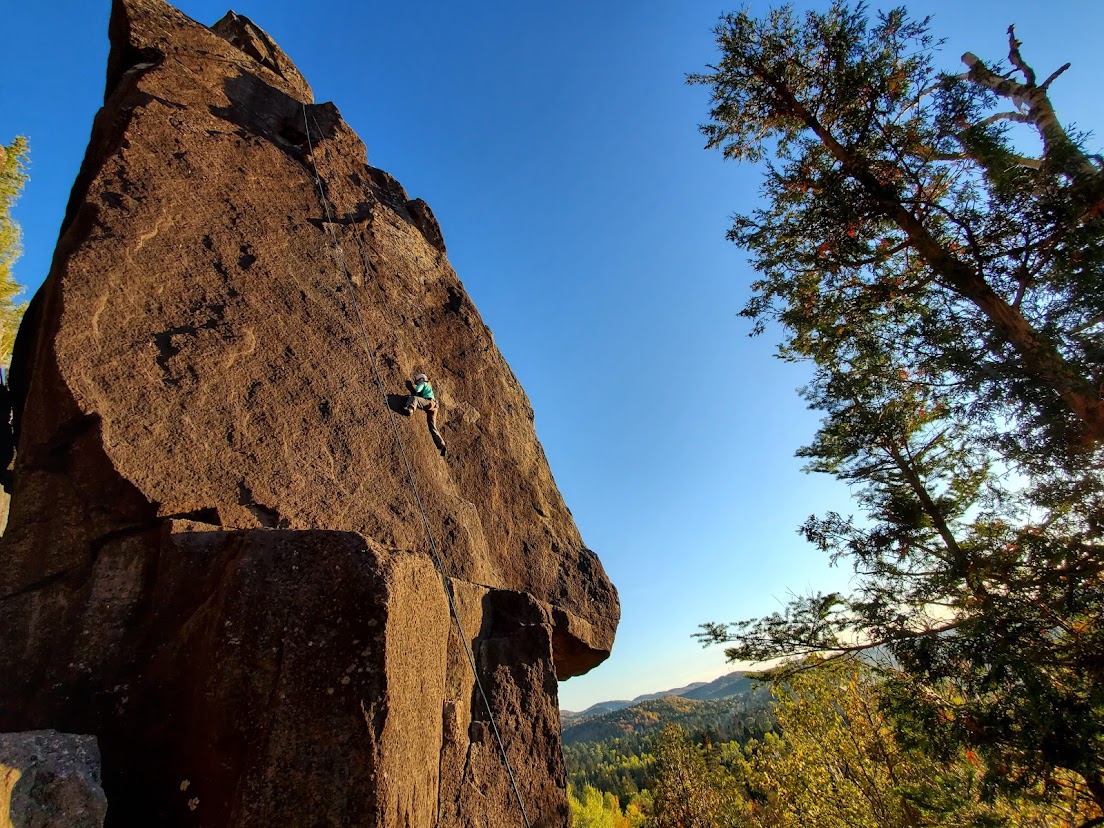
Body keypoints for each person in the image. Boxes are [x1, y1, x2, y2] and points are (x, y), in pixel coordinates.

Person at [404, 373, 447, 457]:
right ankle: (442, 445)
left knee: (414, 399)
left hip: (429, 403)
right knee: (432, 427)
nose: (417, 383)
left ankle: (410, 409)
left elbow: (417, 390)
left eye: (417, 381)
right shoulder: (429, 387)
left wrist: (414, 388)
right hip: (434, 407)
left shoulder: (423, 383)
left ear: (421, 379)